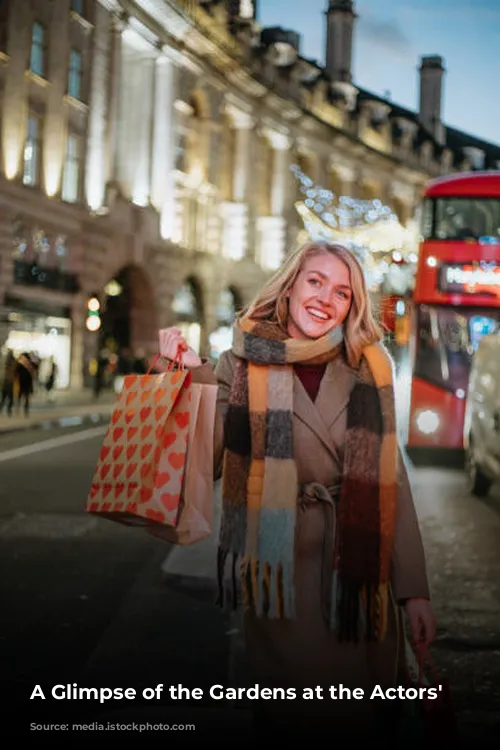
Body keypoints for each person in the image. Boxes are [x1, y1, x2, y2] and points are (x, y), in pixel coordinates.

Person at [158, 241, 435, 735]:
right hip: (279, 574)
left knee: (365, 718)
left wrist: (414, 592)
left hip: (358, 576)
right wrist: (185, 377)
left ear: (353, 307)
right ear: (288, 288)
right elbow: (206, 457)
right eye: (315, 282)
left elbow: (392, 483)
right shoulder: (238, 364)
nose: (326, 298)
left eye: (343, 293)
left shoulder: (368, 369)